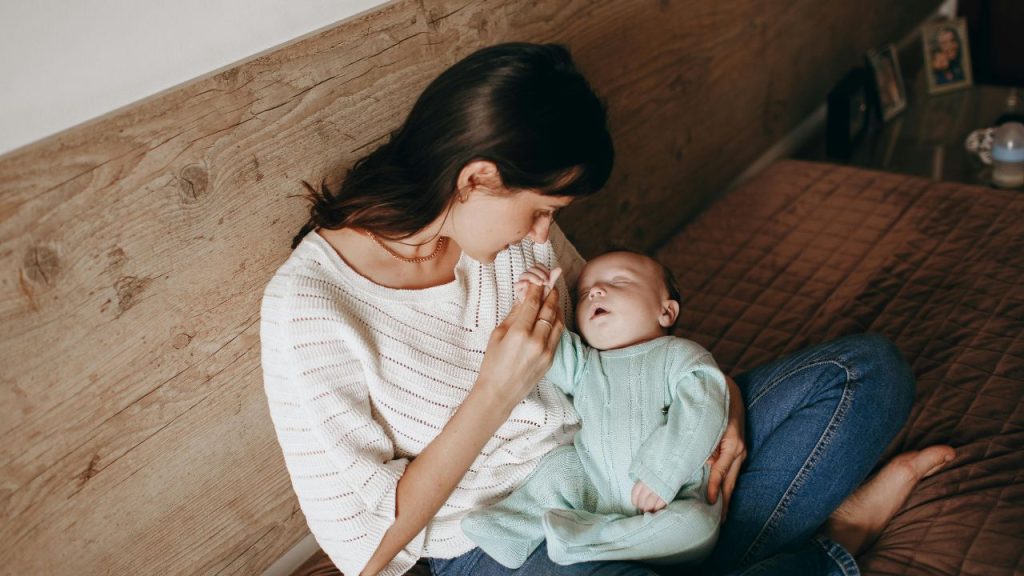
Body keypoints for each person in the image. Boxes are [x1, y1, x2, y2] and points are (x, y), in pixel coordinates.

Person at [259, 42, 955, 576]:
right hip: (504, 536)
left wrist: (724, 411)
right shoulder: (310, 310)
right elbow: (368, 551)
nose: (543, 237)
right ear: (477, 178)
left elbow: (619, 343)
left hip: (622, 454)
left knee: (868, 375)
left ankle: (662, 548)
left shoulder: (497, 232)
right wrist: (495, 391)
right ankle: (836, 546)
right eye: (541, 212)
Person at [462, 254, 729, 567]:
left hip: (672, 497)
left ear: (666, 311)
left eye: (619, 281)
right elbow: (548, 351)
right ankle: (508, 526)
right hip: (594, 491)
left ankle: (585, 543)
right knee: (561, 469)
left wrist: (662, 473)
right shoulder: (586, 364)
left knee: (696, 525)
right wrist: (533, 303)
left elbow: (701, 411)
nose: (596, 292)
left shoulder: (680, 357)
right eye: (585, 292)